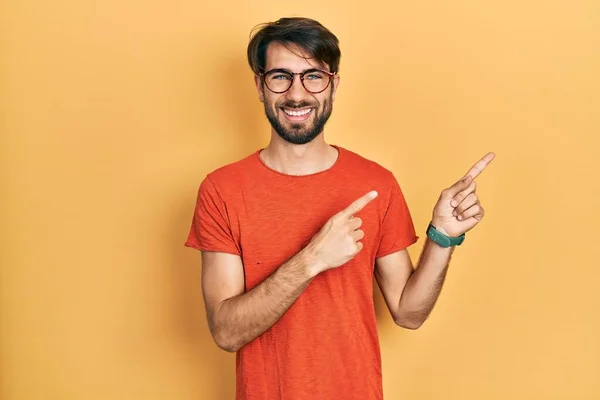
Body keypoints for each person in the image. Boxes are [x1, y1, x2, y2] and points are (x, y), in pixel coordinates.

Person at [185, 16, 495, 400]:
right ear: (259, 87)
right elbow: (227, 332)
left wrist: (443, 238)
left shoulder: (376, 183)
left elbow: (408, 312)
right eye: (280, 76)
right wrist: (313, 257)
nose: (297, 94)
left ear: (333, 85)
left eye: (313, 76)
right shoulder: (222, 189)